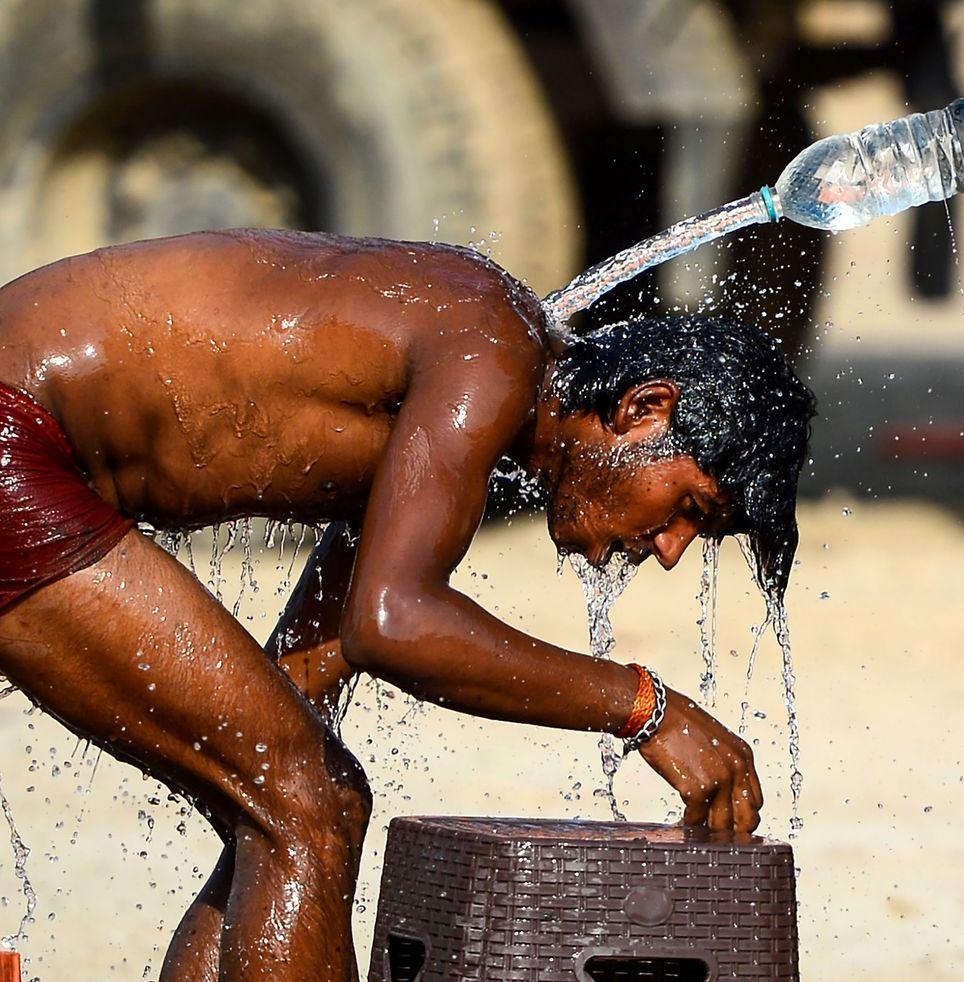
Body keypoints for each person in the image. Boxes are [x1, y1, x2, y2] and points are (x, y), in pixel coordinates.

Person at [0, 228, 815, 981]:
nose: (670, 550)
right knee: (307, 805)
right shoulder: (493, 347)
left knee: (279, 797)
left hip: (30, 451)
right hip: (16, 437)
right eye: (691, 510)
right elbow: (394, 625)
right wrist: (647, 708)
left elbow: (306, 674)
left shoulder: (460, 404)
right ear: (645, 408)